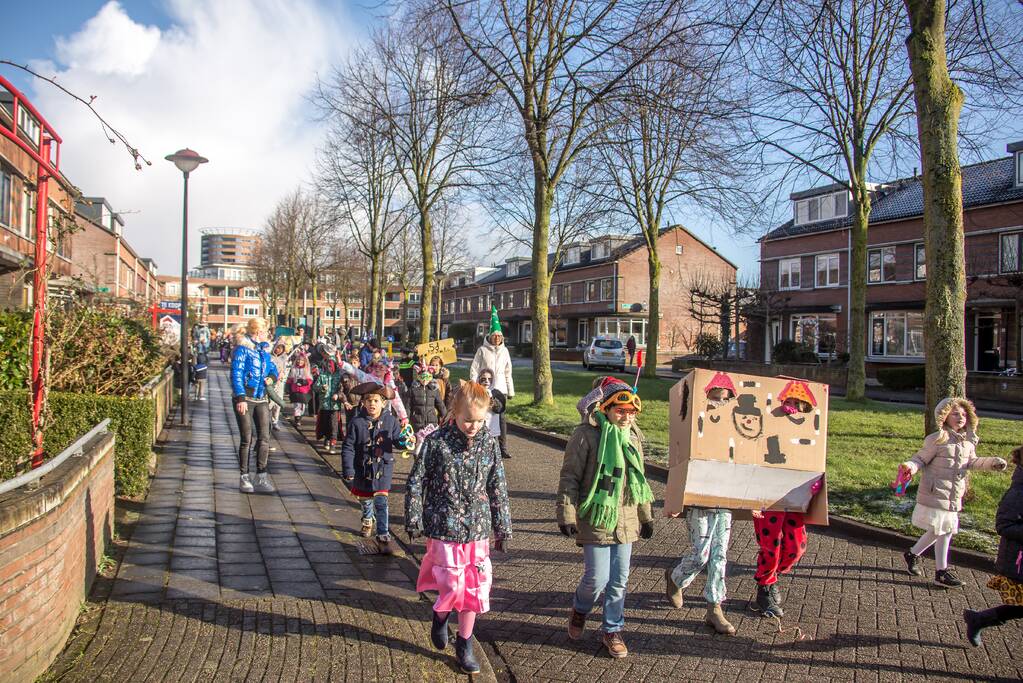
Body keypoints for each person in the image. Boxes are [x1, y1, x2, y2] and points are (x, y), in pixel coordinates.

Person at [405, 380, 512, 675]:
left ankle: (465, 643)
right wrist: (414, 517)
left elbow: (497, 485)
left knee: (474, 589)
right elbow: (416, 481)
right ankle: (440, 614)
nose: (473, 426)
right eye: (468, 420)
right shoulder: (436, 442)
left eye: (479, 421)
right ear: (454, 412)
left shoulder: (489, 444)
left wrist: (503, 527)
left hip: (477, 528)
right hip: (444, 525)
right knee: (452, 584)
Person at [557, 376, 654, 659]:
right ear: (606, 408)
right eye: (620, 411)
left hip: (626, 519)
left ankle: (612, 630)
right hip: (596, 517)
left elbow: (639, 479)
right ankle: (580, 609)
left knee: (619, 580)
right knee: (596, 579)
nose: (627, 417)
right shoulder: (585, 435)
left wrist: (646, 516)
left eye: (631, 412)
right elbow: (570, 477)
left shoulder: (633, 437)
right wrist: (566, 513)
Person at [900, 398, 1007, 587]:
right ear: (945, 416)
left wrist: (992, 463)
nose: (961, 417)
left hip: (954, 495)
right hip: (936, 493)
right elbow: (920, 459)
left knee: (939, 530)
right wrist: (910, 466)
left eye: (964, 414)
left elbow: (971, 462)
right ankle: (941, 571)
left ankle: (913, 554)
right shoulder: (937, 439)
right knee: (945, 530)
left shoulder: (967, 443)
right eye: (956, 414)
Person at [964, 445, 1023, 646]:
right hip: (1018, 558)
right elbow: (1004, 525)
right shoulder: (1018, 493)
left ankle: (980, 619)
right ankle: (980, 619)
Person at [341, 382, 408, 554]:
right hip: (362, 469)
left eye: (376, 401)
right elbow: (348, 447)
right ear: (363, 402)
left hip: (382, 469)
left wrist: (405, 441)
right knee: (366, 500)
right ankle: (367, 519)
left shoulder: (390, 421)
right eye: (369, 400)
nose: (372, 404)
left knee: (381, 502)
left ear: (383, 403)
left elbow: (398, 440)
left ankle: (383, 534)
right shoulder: (356, 422)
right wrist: (348, 469)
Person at [664, 504, 735, 634]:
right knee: (700, 557)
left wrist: (753, 503)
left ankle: (714, 609)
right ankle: (676, 578)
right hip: (699, 507)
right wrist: (675, 502)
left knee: (719, 558)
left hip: (724, 508)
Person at [231, 318, 279, 494]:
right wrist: (240, 398)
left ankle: (261, 476)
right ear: (259, 332)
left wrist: (271, 378)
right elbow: (236, 373)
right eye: (266, 331)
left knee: (264, 437)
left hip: (261, 398)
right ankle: (244, 477)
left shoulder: (264, 351)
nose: (268, 335)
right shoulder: (242, 350)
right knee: (247, 438)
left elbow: (273, 369)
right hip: (245, 397)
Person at [470, 307, 514, 459]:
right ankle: (482, 445)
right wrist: (474, 385)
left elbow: (508, 371)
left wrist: (510, 390)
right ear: (489, 336)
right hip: (484, 387)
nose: (497, 338)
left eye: (499, 336)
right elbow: (474, 369)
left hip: (500, 389)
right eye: (494, 336)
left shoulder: (505, 351)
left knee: (501, 418)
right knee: (483, 415)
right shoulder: (482, 350)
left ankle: (502, 447)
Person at [314, 344, 345, 454]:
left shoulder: (339, 376)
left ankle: (333, 443)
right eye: (328, 365)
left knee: (334, 424)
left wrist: (338, 394)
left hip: (335, 405)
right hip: (324, 404)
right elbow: (315, 387)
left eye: (332, 365)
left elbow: (342, 388)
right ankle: (327, 439)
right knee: (325, 424)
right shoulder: (322, 375)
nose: (330, 367)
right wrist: (322, 388)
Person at [402, 363, 447, 434]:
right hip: (417, 423)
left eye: (427, 377)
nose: (425, 380)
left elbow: (440, 405)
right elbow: (408, 406)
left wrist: (445, 418)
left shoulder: (434, 390)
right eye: (422, 377)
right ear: (419, 377)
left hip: (431, 423)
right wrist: (406, 418)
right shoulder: (413, 390)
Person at [476, 368, 506, 441]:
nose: (487, 381)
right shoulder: (475, 392)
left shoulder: (496, 393)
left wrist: (491, 398)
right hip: (478, 428)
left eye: (489, 379)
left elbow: (499, 410)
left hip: (492, 429)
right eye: (483, 379)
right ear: (479, 379)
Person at [268, 340, 291, 431]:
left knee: (278, 403)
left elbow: (285, 369)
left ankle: (275, 421)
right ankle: (267, 420)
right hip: (271, 382)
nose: (278, 350)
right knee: (270, 402)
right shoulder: (269, 357)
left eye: (281, 349)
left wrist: (283, 374)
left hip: (280, 383)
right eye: (277, 348)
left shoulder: (284, 358)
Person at [286, 352, 313, 427]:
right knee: (296, 406)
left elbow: (310, 380)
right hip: (295, 390)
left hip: (303, 391)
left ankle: (299, 417)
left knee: (302, 406)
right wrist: (287, 387)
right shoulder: (293, 369)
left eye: (301, 360)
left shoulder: (306, 369)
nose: (299, 361)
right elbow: (290, 379)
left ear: (304, 361)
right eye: (298, 360)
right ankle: (297, 419)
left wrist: (304, 382)